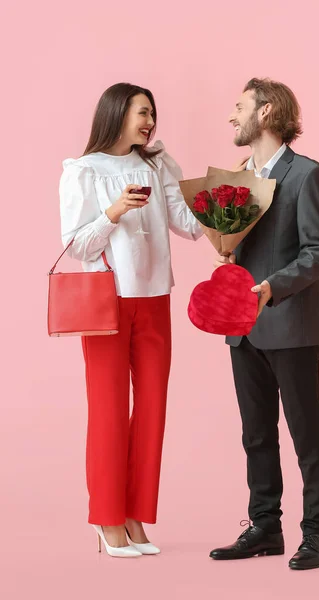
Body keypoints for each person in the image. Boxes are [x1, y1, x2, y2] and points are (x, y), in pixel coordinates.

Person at [59, 82, 202, 558]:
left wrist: (230, 199)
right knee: (108, 410)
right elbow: (77, 244)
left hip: (156, 298)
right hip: (107, 301)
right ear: (116, 113)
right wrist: (113, 211)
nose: (149, 122)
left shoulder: (157, 164)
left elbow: (187, 223)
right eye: (142, 112)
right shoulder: (82, 171)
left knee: (152, 413)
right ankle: (106, 519)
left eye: (152, 115)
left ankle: (136, 518)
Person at [211, 78, 319, 570]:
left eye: (239, 106)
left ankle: (317, 535)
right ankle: (264, 527)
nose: (231, 116)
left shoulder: (308, 175)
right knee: (256, 433)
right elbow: (239, 247)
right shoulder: (239, 179)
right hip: (242, 328)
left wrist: (270, 288)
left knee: (306, 432)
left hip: (289, 325)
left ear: (266, 113)